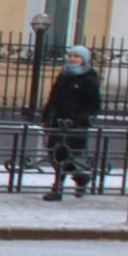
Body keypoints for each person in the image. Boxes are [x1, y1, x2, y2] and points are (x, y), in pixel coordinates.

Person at [40, 45, 101, 200]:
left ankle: (57, 190)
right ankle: (80, 177)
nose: (73, 59)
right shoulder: (63, 76)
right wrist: (46, 117)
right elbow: (52, 98)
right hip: (57, 122)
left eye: (77, 56)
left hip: (75, 125)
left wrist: (80, 119)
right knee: (55, 154)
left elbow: (94, 104)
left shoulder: (88, 78)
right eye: (71, 55)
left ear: (84, 60)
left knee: (62, 154)